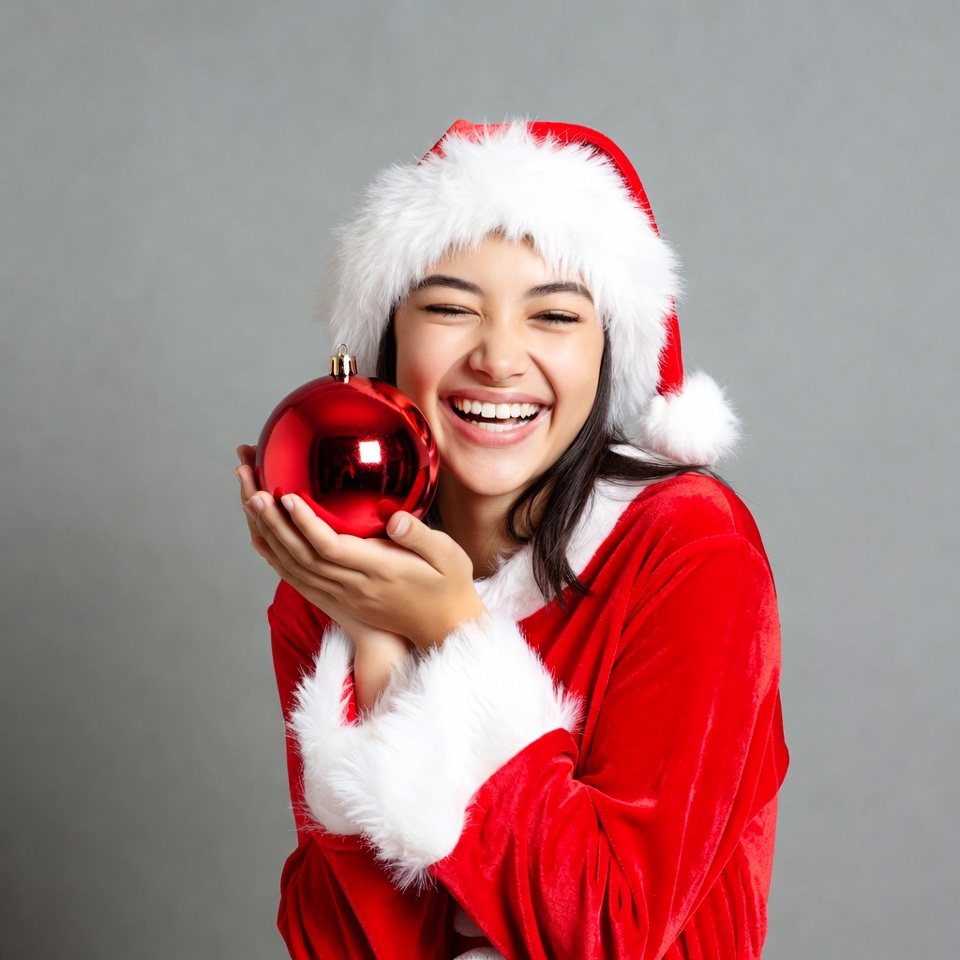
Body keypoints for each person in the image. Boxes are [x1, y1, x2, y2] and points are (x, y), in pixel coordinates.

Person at [236, 120, 788, 959]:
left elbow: (610, 930)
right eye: (452, 308)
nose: (498, 358)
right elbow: (341, 945)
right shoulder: (338, 582)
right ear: (388, 338)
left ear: (608, 353)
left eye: (555, 316)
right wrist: (377, 645)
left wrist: (452, 634)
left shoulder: (691, 550)